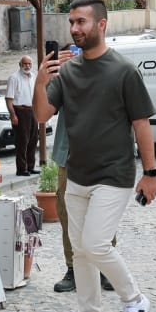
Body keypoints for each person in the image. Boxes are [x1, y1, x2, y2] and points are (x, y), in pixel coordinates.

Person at [33, 0, 156, 312]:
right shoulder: (68, 72)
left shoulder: (123, 71)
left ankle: (133, 300)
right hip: (77, 175)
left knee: (95, 244)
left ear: (102, 25)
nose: (75, 28)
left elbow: (142, 124)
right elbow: (41, 116)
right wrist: (40, 81)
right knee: (82, 253)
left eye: (82, 22)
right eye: (72, 21)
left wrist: (150, 173)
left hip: (114, 175)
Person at [50, 112, 113, 295]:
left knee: (103, 210)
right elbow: (47, 108)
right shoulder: (64, 81)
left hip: (103, 154)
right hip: (69, 153)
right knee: (66, 211)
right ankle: (73, 269)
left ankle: (105, 266)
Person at [5, 56, 38, 176]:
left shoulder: (34, 76)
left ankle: (30, 167)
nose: (27, 66)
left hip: (32, 111)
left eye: (29, 64)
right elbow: (9, 99)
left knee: (33, 140)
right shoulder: (14, 78)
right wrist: (13, 115)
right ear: (20, 64)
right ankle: (21, 169)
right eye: (25, 64)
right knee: (22, 141)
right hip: (20, 111)